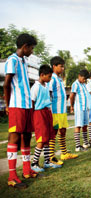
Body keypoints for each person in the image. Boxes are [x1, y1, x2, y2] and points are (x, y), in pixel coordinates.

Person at [4, 33, 38, 188]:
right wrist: (7, 104)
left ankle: (26, 170)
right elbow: (6, 84)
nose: (31, 51)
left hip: (26, 105)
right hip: (16, 105)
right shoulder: (12, 60)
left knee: (26, 136)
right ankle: (12, 176)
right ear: (25, 47)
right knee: (15, 137)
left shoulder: (23, 61)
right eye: (31, 48)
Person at [31, 65, 62, 173]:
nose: (50, 79)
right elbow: (32, 102)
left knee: (48, 137)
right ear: (42, 75)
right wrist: (33, 118)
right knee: (42, 138)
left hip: (47, 112)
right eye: (49, 77)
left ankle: (47, 161)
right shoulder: (36, 87)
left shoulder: (45, 86)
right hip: (39, 114)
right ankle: (34, 163)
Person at [49, 56, 78, 164]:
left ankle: (64, 153)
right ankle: (51, 156)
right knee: (54, 132)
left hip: (62, 111)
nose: (63, 69)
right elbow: (50, 94)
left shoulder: (59, 79)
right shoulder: (51, 78)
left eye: (63, 67)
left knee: (63, 131)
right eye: (61, 67)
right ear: (54, 66)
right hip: (55, 111)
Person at [70, 69, 90, 152]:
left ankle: (85, 143)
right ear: (79, 76)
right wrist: (71, 106)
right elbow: (72, 95)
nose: (84, 80)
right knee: (78, 125)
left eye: (85, 79)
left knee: (85, 125)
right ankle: (78, 146)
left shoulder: (84, 84)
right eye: (83, 78)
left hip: (85, 108)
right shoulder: (75, 84)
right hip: (79, 108)